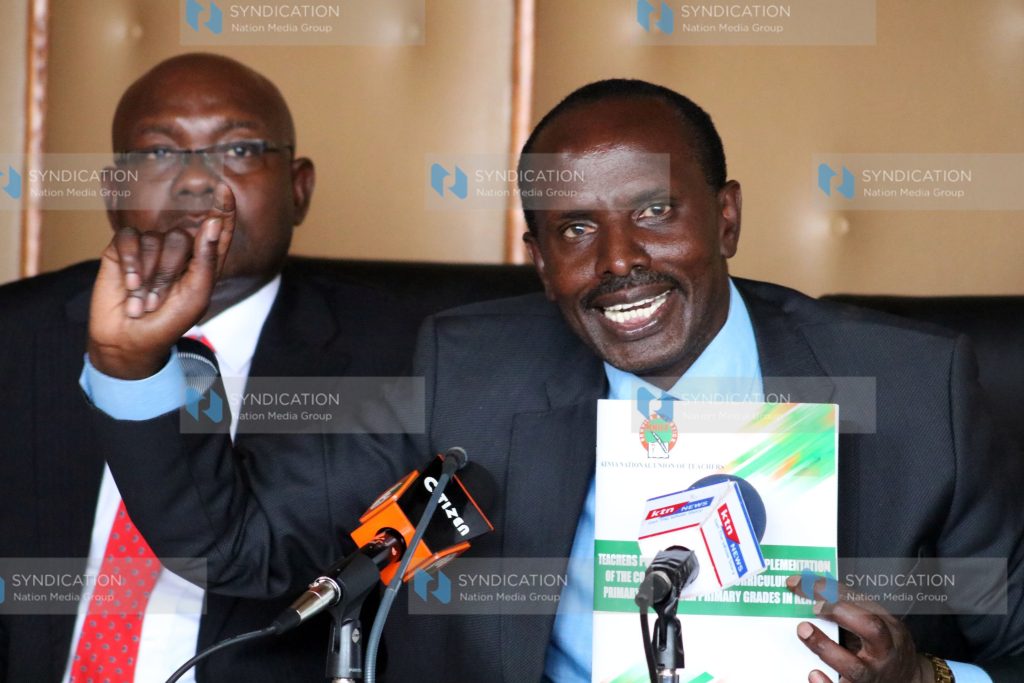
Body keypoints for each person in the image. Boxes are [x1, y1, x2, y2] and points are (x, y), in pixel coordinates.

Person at [81, 79, 1024, 682]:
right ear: (537, 259)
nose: (620, 261)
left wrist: (927, 682)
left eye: (655, 211)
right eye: (573, 229)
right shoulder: (470, 371)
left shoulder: (911, 385)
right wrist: (134, 367)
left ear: (726, 218)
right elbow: (243, 548)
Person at [0, 53, 420, 682]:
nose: (197, 182)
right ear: (114, 192)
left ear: (299, 189)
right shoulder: (13, 334)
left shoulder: (402, 356)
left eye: (240, 148)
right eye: (159, 153)